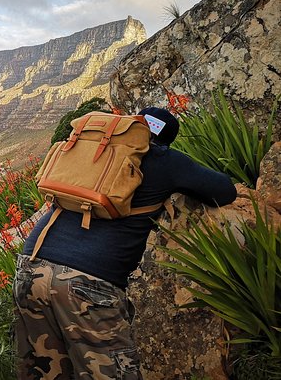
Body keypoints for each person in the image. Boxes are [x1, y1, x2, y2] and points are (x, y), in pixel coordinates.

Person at [13, 107, 237, 380]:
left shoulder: (92, 150)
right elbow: (225, 190)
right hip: (86, 281)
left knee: (46, 372)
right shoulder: (165, 159)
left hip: (31, 266)